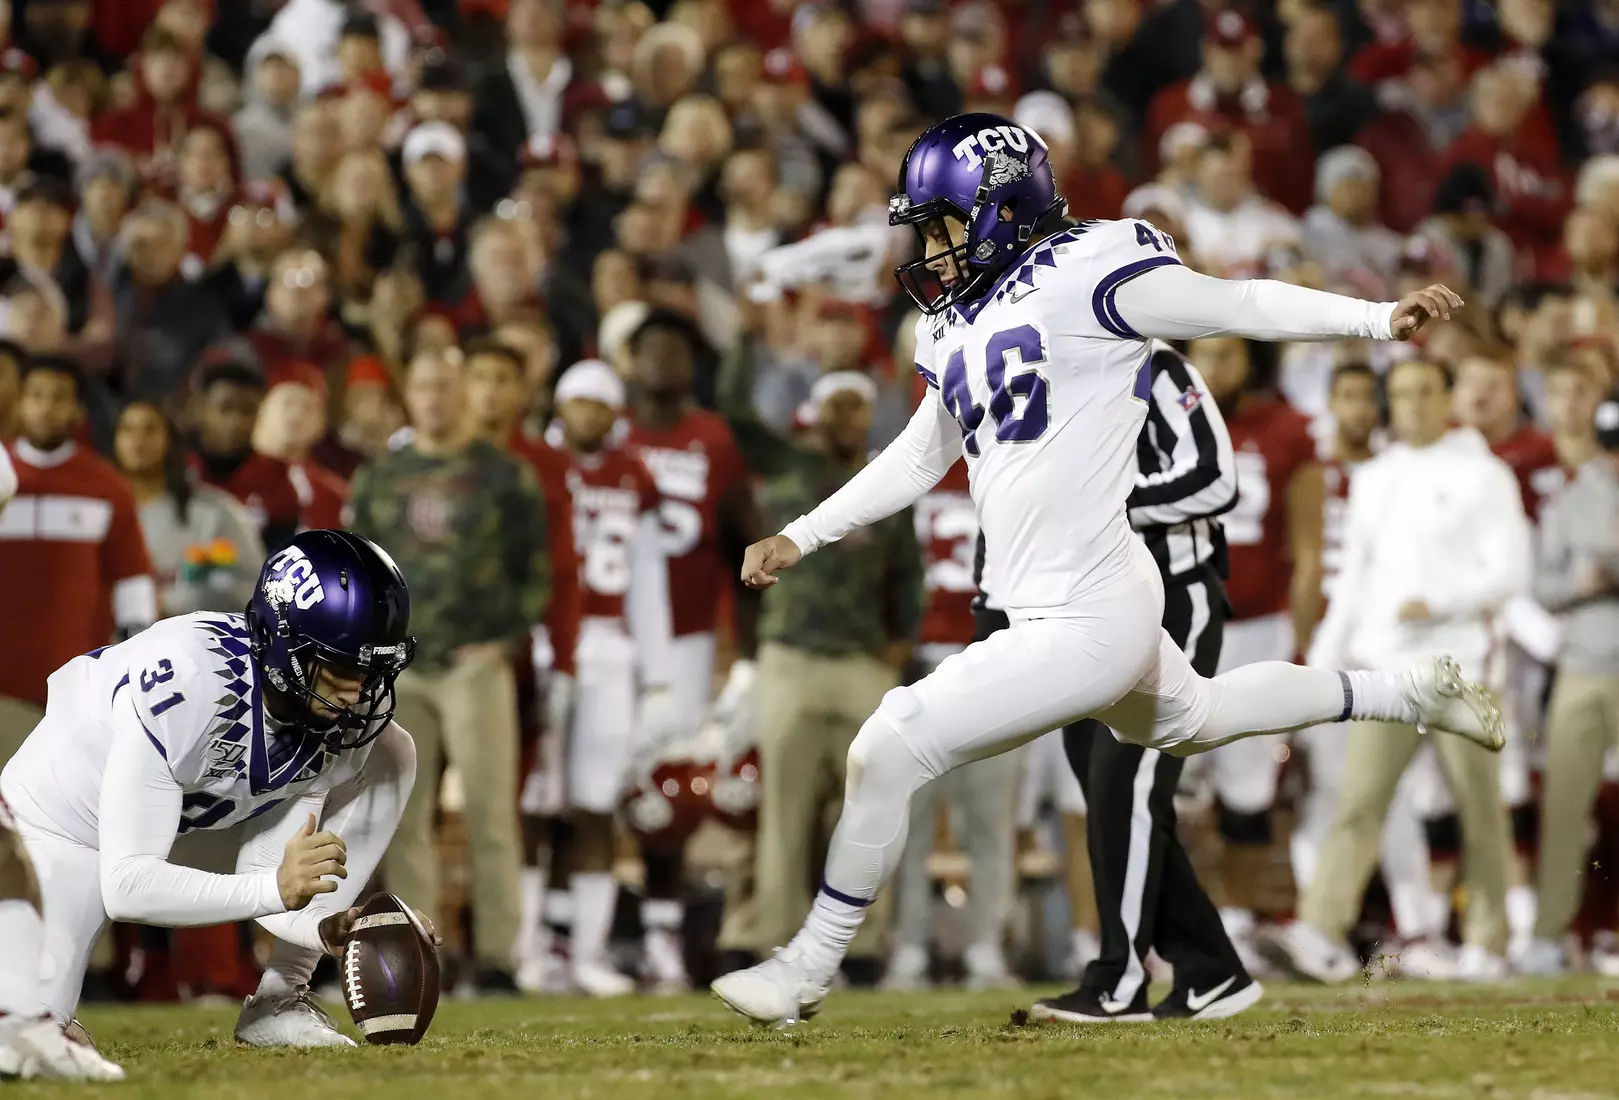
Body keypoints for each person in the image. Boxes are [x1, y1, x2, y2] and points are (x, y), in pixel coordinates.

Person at [710, 111, 1500, 1027]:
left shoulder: (1091, 266)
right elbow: (922, 454)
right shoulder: (952, 323)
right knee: (1198, 718)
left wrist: (1371, 318)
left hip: (1084, 611)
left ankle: (805, 967)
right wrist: (803, 534)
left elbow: (1238, 305)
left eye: (941, 224)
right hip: (1073, 599)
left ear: (1000, 208)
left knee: (888, 744)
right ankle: (1408, 692)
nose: (928, 249)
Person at [0, 529, 420, 1050]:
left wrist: (323, 925)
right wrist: (275, 888)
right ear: (282, 646)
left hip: (193, 820)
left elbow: (269, 865)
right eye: (341, 668)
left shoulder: (343, 713)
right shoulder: (189, 679)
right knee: (28, 1034)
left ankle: (280, 998)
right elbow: (129, 885)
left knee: (393, 753)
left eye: (373, 671)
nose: (358, 692)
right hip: (63, 828)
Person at [1263, 358, 1529, 984]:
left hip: (1461, 667)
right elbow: (1354, 579)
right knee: (1358, 802)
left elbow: (1511, 571)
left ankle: (1488, 943)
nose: (1412, 403)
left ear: (1447, 398)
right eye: (1402, 393)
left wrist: (1440, 603)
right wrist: (1320, 665)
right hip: (1386, 672)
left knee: (1479, 810)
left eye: (1425, 391)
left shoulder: (1483, 473)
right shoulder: (1375, 477)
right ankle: (1319, 931)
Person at [1036, 340, 1257, 1023]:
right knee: (1110, 791)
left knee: (1124, 784)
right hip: (1086, 608)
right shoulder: (1039, 373)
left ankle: (1119, 979)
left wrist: (1111, 503)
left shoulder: (1155, 367)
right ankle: (1210, 968)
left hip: (1171, 600)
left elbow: (1215, 479)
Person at [350, 347, 550, 996]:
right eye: (423, 386)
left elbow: (537, 569)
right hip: (400, 668)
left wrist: (504, 640)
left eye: (444, 386)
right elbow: (358, 569)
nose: (434, 398)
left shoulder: (504, 475)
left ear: (462, 392)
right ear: (407, 395)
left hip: (474, 665)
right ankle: (417, 954)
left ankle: (498, 957)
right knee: (404, 817)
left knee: (491, 811)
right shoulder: (381, 476)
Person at [621, 308, 756, 993]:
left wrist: (748, 655)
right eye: (655, 348)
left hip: (687, 636)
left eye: (679, 350)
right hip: (607, 635)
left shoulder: (713, 439)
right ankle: (563, 933)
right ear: (630, 357)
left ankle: (662, 937)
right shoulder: (606, 430)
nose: (667, 361)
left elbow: (742, 543)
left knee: (666, 789)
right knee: (585, 791)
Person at [1186, 333, 1322, 972]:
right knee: (1168, 788)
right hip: (1175, 628)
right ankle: (1169, 925)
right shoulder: (1148, 419)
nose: (1216, 366)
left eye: (1229, 353)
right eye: (1206, 352)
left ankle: (1237, 924)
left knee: (1247, 793)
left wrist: (1302, 640)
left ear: (1252, 360)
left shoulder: (1286, 432)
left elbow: (1307, 551)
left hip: (1256, 630)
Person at [545, 358, 674, 997]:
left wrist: (658, 669)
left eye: (601, 404)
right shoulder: (536, 464)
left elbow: (648, 575)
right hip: (548, 642)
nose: (590, 415)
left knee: (596, 801)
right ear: (559, 406)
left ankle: (587, 952)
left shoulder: (634, 474)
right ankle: (529, 947)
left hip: (610, 642)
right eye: (580, 402)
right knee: (536, 803)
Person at [0, 357, 156, 766]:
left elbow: (131, 577)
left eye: (59, 398)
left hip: (76, 685)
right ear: (19, 402)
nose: (46, 408)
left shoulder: (106, 486)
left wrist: (135, 660)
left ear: (77, 410)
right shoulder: (2, 478)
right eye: (36, 396)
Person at [1522, 400, 1619, 972]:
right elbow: (1542, 585)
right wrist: (1581, 584)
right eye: (1610, 446)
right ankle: (1549, 935)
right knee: (1564, 811)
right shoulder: (1571, 500)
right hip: (1583, 665)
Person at [114, 399, 264, 618]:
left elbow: (252, 584)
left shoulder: (215, 512)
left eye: (150, 429)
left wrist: (174, 603)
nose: (138, 440)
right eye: (128, 429)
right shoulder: (100, 512)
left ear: (171, 440)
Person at [188, 358, 302, 555]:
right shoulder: (176, 470)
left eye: (247, 410)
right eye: (225, 408)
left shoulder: (277, 479)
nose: (235, 422)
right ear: (201, 410)